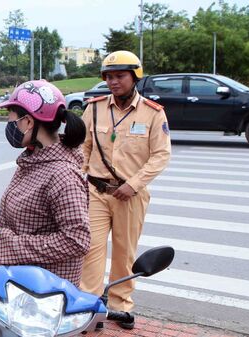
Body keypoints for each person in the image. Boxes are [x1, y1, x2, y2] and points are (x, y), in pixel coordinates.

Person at [0, 80, 91, 286]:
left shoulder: (63, 175)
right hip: (20, 281)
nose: (10, 126)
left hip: (44, 292)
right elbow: (25, 224)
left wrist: (3, 245)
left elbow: (76, 241)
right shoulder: (33, 162)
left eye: (12, 120)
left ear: (28, 122)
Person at [79, 50, 171, 329]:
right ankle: (89, 307)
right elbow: (84, 147)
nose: (113, 82)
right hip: (95, 191)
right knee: (90, 250)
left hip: (130, 195)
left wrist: (133, 184)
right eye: (109, 76)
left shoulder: (153, 113)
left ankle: (120, 306)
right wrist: (79, 178)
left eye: (120, 76)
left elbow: (161, 155)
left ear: (135, 77)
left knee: (124, 252)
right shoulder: (94, 108)